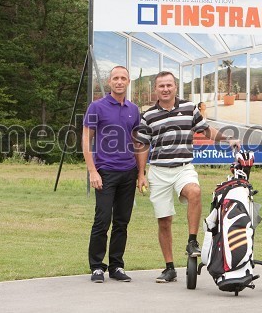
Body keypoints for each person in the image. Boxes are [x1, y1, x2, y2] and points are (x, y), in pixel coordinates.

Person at [134, 71, 240, 283]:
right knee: (164, 221)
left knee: (195, 191)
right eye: (161, 86)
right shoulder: (147, 115)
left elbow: (206, 130)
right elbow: (143, 145)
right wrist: (141, 174)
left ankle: (192, 241)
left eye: (169, 85)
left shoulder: (189, 108)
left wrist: (227, 138)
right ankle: (169, 268)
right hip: (159, 172)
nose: (165, 89)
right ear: (156, 89)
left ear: (175, 87)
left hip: (183, 167)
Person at [82, 66, 140, 283]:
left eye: (123, 78)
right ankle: (97, 266)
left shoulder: (134, 109)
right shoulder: (97, 107)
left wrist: (140, 173)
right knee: (102, 220)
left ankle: (116, 266)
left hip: (128, 172)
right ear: (109, 82)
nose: (119, 81)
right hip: (105, 172)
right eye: (115, 78)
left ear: (128, 82)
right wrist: (92, 171)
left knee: (122, 222)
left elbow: (137, 142)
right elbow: (86, 140)